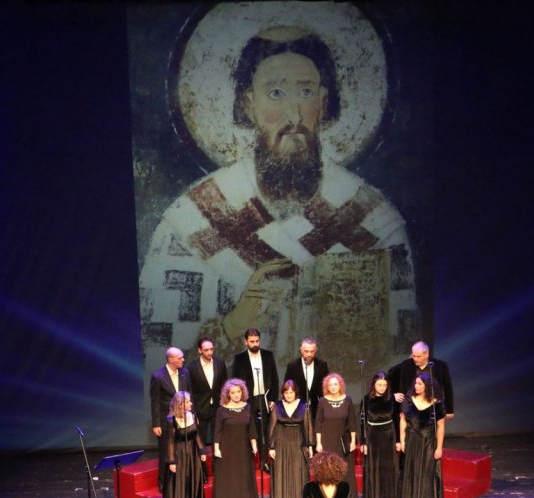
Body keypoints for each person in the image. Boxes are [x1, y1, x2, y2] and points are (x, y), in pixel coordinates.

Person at [138, 25, 417, 415]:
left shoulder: (373, 222)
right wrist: (235, 323)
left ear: (323, 103)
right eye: (275, 94)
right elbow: (159, 361)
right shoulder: (192, 221)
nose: (294, 115)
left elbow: (401, 356)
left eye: (305, 93)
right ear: (248, 104)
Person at [158, 391, 208, 498]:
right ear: (180, 405)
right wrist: (172, 461)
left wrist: (202, 451)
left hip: (193, 454)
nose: (191, 403)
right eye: (187, 402)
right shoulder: (171, 420)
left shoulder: (192, 415)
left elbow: (196, 435)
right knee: (180, 485)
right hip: (179, 455)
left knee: (194, 482)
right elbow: (170, 442)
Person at [399, 373, 446, 498]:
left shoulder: (436, 403)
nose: (416, 386)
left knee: (427, 472)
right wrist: (402, 440)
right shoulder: (409, 400)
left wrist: (439, 448)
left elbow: (441, 426)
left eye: (420, 384)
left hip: (428, 442)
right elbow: (403, 420)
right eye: (415, 383)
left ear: (428, 386)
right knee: (412, 471)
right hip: (412, 441)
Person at [212, 378, 260, 498]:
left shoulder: (247, 407)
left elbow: (251, 428)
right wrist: (216, 448)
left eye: (238, 392)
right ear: (228, 394)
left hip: (243, 449)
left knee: (242, 476)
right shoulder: (221, 410)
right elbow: (217, 430)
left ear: (242, 392)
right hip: (227, 449)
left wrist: (254, 445)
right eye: (233, 393)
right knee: (230, 478)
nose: (236, 395)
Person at [230, 328, 279, 464]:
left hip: (264, 398)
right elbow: (235, 381)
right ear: (246, 342)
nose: (255, 344)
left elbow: (274, 379)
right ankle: (250, 461)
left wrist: (273, 399)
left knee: (264, 430)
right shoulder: (240, 359)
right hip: (248, 400)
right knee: (249, 429)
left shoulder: (268, 355)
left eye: (257, 341)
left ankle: (264, 461)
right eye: (252, 342)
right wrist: (239, 401)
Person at [267, 379, 313, 498]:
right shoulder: (277, 406)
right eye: (286, 393)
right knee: (281, 472)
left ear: (295, 392)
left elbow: (308, 426)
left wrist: (310, 445)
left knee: (298, 473)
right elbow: (272, 427)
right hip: (281, 442)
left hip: (298, 442)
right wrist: (271, 447)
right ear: (283, 393)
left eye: (291, 392)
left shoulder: (304, 406)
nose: (288, 395)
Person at [151, 347, 191, 490]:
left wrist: (193, 414)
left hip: (183, 419)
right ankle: (163, 481)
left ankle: (182, 479)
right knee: (165, 450)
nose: (183, 360)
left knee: (182, 448)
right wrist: (156, 423)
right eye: (180, 358)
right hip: (166, 420)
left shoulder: (184, 373)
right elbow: (155, 401)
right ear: (171, 359)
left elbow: (189, 395)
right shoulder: (158, 376)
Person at [314, 373, 357, 498]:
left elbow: (352, 422)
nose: (333, 387)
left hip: (343, 441)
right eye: (330, 385)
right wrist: (318, 442)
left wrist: (353, 440)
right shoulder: (322, 401)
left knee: (344, 471)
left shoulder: (348, 400)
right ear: (327, 387)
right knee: (328, 470)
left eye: (335, 384)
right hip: (327, 441)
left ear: (340, 386)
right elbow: (318, 423)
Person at [360, 371, 399, 498]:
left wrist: (398, 441)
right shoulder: (366, 399)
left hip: (388, 436)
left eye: (384, 385)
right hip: (372, 436)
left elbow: (396, 419)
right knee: (374, 468)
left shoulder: (391, 399)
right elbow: (362, 422)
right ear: (373, 385)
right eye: (379, 385)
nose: (382, 388)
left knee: (388, 468)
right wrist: (363, 442)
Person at [388, 341, 455, 420]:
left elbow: (448, 388)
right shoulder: (406, 364)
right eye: (414, 356)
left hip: (434, 408)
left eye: (418, 356)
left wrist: (449, 410)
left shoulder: (440, 366)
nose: (415, 359)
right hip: (412, 408)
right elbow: (392, 376)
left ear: (426, 354)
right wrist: (394, 396)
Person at [185, 337, 228, 446]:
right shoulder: (192, 367)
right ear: (200, 350)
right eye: (206, 350)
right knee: (200, 439)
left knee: (218, 438)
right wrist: (193, 411)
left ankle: (216, 457)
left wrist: (225, 404)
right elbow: (190, 390)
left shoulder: (219, 363)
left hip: (217, 406)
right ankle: (201, 457)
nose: (210, 352)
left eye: (211, 349)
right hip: (200, 407)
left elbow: (225, 385)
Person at [282, 337, 330, 422]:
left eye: (312, 351)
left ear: (316, 350)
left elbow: (326, 387)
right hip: (297, 408)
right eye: (306, 351)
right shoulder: (292, 365)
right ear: (301, 350)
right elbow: (287, 386)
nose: (309, 354)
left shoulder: (322, 365)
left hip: (317, 408)